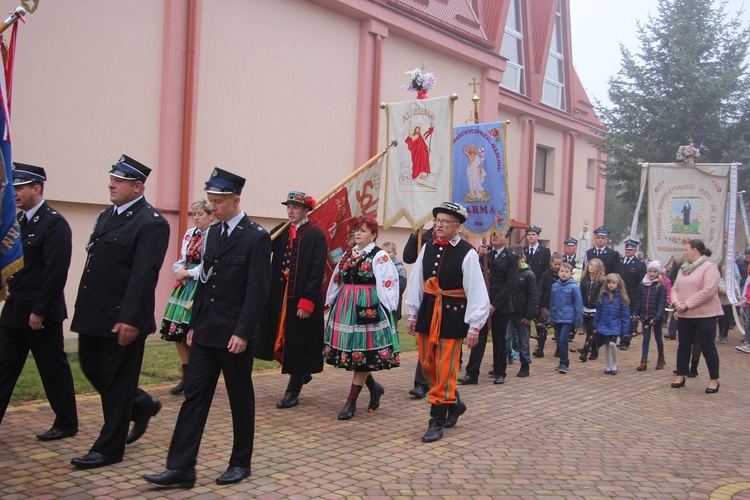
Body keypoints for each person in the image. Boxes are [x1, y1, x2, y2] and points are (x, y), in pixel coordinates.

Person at [143, 168, 271, 488]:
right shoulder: (212, 234)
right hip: (205, 330)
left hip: (234, 335)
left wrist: (242, 332)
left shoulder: (256, 236)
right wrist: (192, 324)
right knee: (194, 397)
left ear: (236, 200)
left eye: (218, 202)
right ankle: (181, 467)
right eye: (211, 201)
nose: (212, 207)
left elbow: (258, 292)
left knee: (239, 399)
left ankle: (240, 463)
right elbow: (204, 282)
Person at [70, 155, 169, 469]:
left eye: (119, 180)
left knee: (115, 382)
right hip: (93, 313)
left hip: (122, 317)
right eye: (111, 179)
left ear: (137, 186)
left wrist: (129, 318)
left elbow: (143, 275)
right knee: (90, 367)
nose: (111, 184)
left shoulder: (151, 222)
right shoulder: (106, 216)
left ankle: (110, 447)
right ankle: (140, 403)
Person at [0, 163, 78, 441]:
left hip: (40, 313)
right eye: (14, 188)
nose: (15, 193)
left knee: (52, 369)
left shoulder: (54, 223)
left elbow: (55, 273)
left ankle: (67, 422)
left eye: (20, 187)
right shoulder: (16, 222)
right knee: (3, 367)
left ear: (37, 188)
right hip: (14, 309)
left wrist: (39, 310)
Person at [406, 202, 490, 443]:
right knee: (426, 363)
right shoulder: (428, 246)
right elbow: (416, 281)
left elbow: (476, 289)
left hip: (452, 315)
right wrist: (412, 313)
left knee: (444, 367)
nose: (439, 225)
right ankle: (455, 402)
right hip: (428, 312)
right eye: (437, 221)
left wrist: (475, 325)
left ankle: (436, 420)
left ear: (457, 227)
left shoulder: (467, 252)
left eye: (444, 222)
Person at [323, 216, 400, 420]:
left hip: (368, 305)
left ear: (374, 235)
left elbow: (388, 282)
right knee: (356, 353)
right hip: (346, 306)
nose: (358, 233)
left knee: (363, 352)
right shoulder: (349, 253)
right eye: (357, 230)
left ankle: (351, 402)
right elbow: (337, 278)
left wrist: (389, 308)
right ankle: (375, 388)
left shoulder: (379, 255)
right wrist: (330, 299)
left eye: (363, 230)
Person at [258, 191, 326, 409]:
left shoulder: (316, 235)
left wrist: (307, 302)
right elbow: (262, 251)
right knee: (275, 339)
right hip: (279, 297)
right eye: (288, 206)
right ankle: (301, 372)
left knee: (298, 342)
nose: (290, 211)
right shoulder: (280, 231)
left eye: (295, 207)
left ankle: (293, 390)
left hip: (300, 298)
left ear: (306, 210)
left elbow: (317, 272)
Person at [159, 199, 213, 395]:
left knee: (193, 330)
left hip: (200, 284)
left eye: (200, 214)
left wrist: (188, 273)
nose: (196, 218)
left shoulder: (213, 236)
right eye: (194, 214)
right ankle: (185, 374)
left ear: (210, 216)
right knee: (177, 331)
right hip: (184, 285)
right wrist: (180, 271)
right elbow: (182, 260)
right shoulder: (190, 235)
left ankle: (197, 377)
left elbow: (209, 265)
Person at [458, 230, 517, 385]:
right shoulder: (485, 253)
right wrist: (478, 256)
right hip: (483, 303)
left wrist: (495, 305)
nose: (495, 237)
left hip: (501, 305)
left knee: (499, 339)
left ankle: (500, 371)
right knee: (478, 336)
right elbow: (474, 273)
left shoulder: (511, 257)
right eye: (493, 234)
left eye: (499, 234)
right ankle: (472, 373)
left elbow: (510, 283)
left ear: (507, 238)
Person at [670, 239, 721, 393]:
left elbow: (708, 291)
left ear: (695, 250)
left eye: (686, 249)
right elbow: (675, 287)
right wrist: (676, 303)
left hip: (705, 315)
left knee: (707, 346)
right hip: (685, 315)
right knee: (683, 345)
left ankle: (714, 380)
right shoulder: (683, 269)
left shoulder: (709, 267)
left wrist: (686, 304)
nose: (684, 252)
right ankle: (680, 375)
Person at [403, 226, 433, 398]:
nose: (440, 224)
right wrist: (415, 234)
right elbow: (408, 258)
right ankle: (421, 384)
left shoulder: (459, 245)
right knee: (424, 342)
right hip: (426, 299)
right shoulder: (425, 237)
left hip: (447, 303)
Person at [507, 245, 538, 377]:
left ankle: (525, 364)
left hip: (522, 314)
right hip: (508, 312)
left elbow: (533, 296)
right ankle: (505, 359)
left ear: (520, 258)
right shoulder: (508, 272)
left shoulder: (528, 274)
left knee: (523, 340)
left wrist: (529, 315)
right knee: (506, 337)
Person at [548, 262, 583, 374]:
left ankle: (565, 362)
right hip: (557, 317)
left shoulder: (574, 287)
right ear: (558, 273)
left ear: (571, 274)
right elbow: (552, 302)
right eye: (562, 271)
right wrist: (551, 317)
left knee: (563, 339)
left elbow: (578, 305)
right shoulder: (555, 286)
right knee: (558, 339)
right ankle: (561, 361)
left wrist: (577, 323)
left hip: (568, 318)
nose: (564, 274)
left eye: (566, 272)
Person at [633, 261, 668, 371]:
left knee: (658, 338)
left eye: (654, 272)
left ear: (658, 273)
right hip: (645, 316)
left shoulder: (661, 285)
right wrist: (636, 313)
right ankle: (643, 361)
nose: (652, 274)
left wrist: (657, 317)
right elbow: (638, 300)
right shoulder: (642, 284)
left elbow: (662, 304)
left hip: (656, 317)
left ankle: (661, 358)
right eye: (650, 271)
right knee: (646, 338)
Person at [594, 274, 630, 375]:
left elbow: (625, 315)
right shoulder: (603, 296)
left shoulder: (622, 297)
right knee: (606, 345)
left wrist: (625, 330)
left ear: (618, 284)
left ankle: (614, 364)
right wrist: (596, 324)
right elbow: (599, 311)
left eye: (613, 283)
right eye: (609, 283)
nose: (611, 285)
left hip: (615, 323)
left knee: (612, 344)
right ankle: (608, 366)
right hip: (604, 323)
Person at [532, 253, 562, 358]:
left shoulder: (562, 276)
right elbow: (540, 290)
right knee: (542, 327)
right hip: (546, 305)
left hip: (558, 307)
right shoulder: (545, 275)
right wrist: (538, 305)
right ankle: (540, 348)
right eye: (555, 264)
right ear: (551, 263)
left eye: (559, 264)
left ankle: (559, 348)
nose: (557, 267)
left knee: (558, 328)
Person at [619, 238, 647, 350]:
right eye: (627, 249)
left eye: (631, 249)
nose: (628, 251)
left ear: (635, 251)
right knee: (620, 317)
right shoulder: (620, 261)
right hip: (619, 294)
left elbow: (642, 282)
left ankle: (626, 340)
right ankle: (620, 337)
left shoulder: (639, 265)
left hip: (632, 296)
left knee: (630, 319)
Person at [578, 258, 605, 362]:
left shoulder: (601, 281)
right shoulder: (585, 279)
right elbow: (581, 293)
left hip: (595, 309)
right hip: (585, 308)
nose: (592, 268)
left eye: (594, 266)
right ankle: (595, 349)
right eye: (590, 265)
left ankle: (585, 351)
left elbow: (601, 296)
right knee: (589, 331)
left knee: (590, 330)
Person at [382, 241, 407, 322]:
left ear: (395, 253)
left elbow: (401, 287)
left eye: (389, 252)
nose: (386, 254)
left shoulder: (400, 268)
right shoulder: (380, 267)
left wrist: (390, 294)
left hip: (394, 303)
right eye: (384, 252)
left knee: (393, 325)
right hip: (381, 302)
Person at [717, 261, 740, 344]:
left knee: (727, 319)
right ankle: (720, 331)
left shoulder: (732, 281)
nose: (724, 274)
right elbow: (718, 289)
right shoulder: (720, 280)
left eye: (726, 272)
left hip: (729, 303)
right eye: (723, 272)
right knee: (720, 319)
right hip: (721, 302)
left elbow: (736, 290)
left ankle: (725, 334)